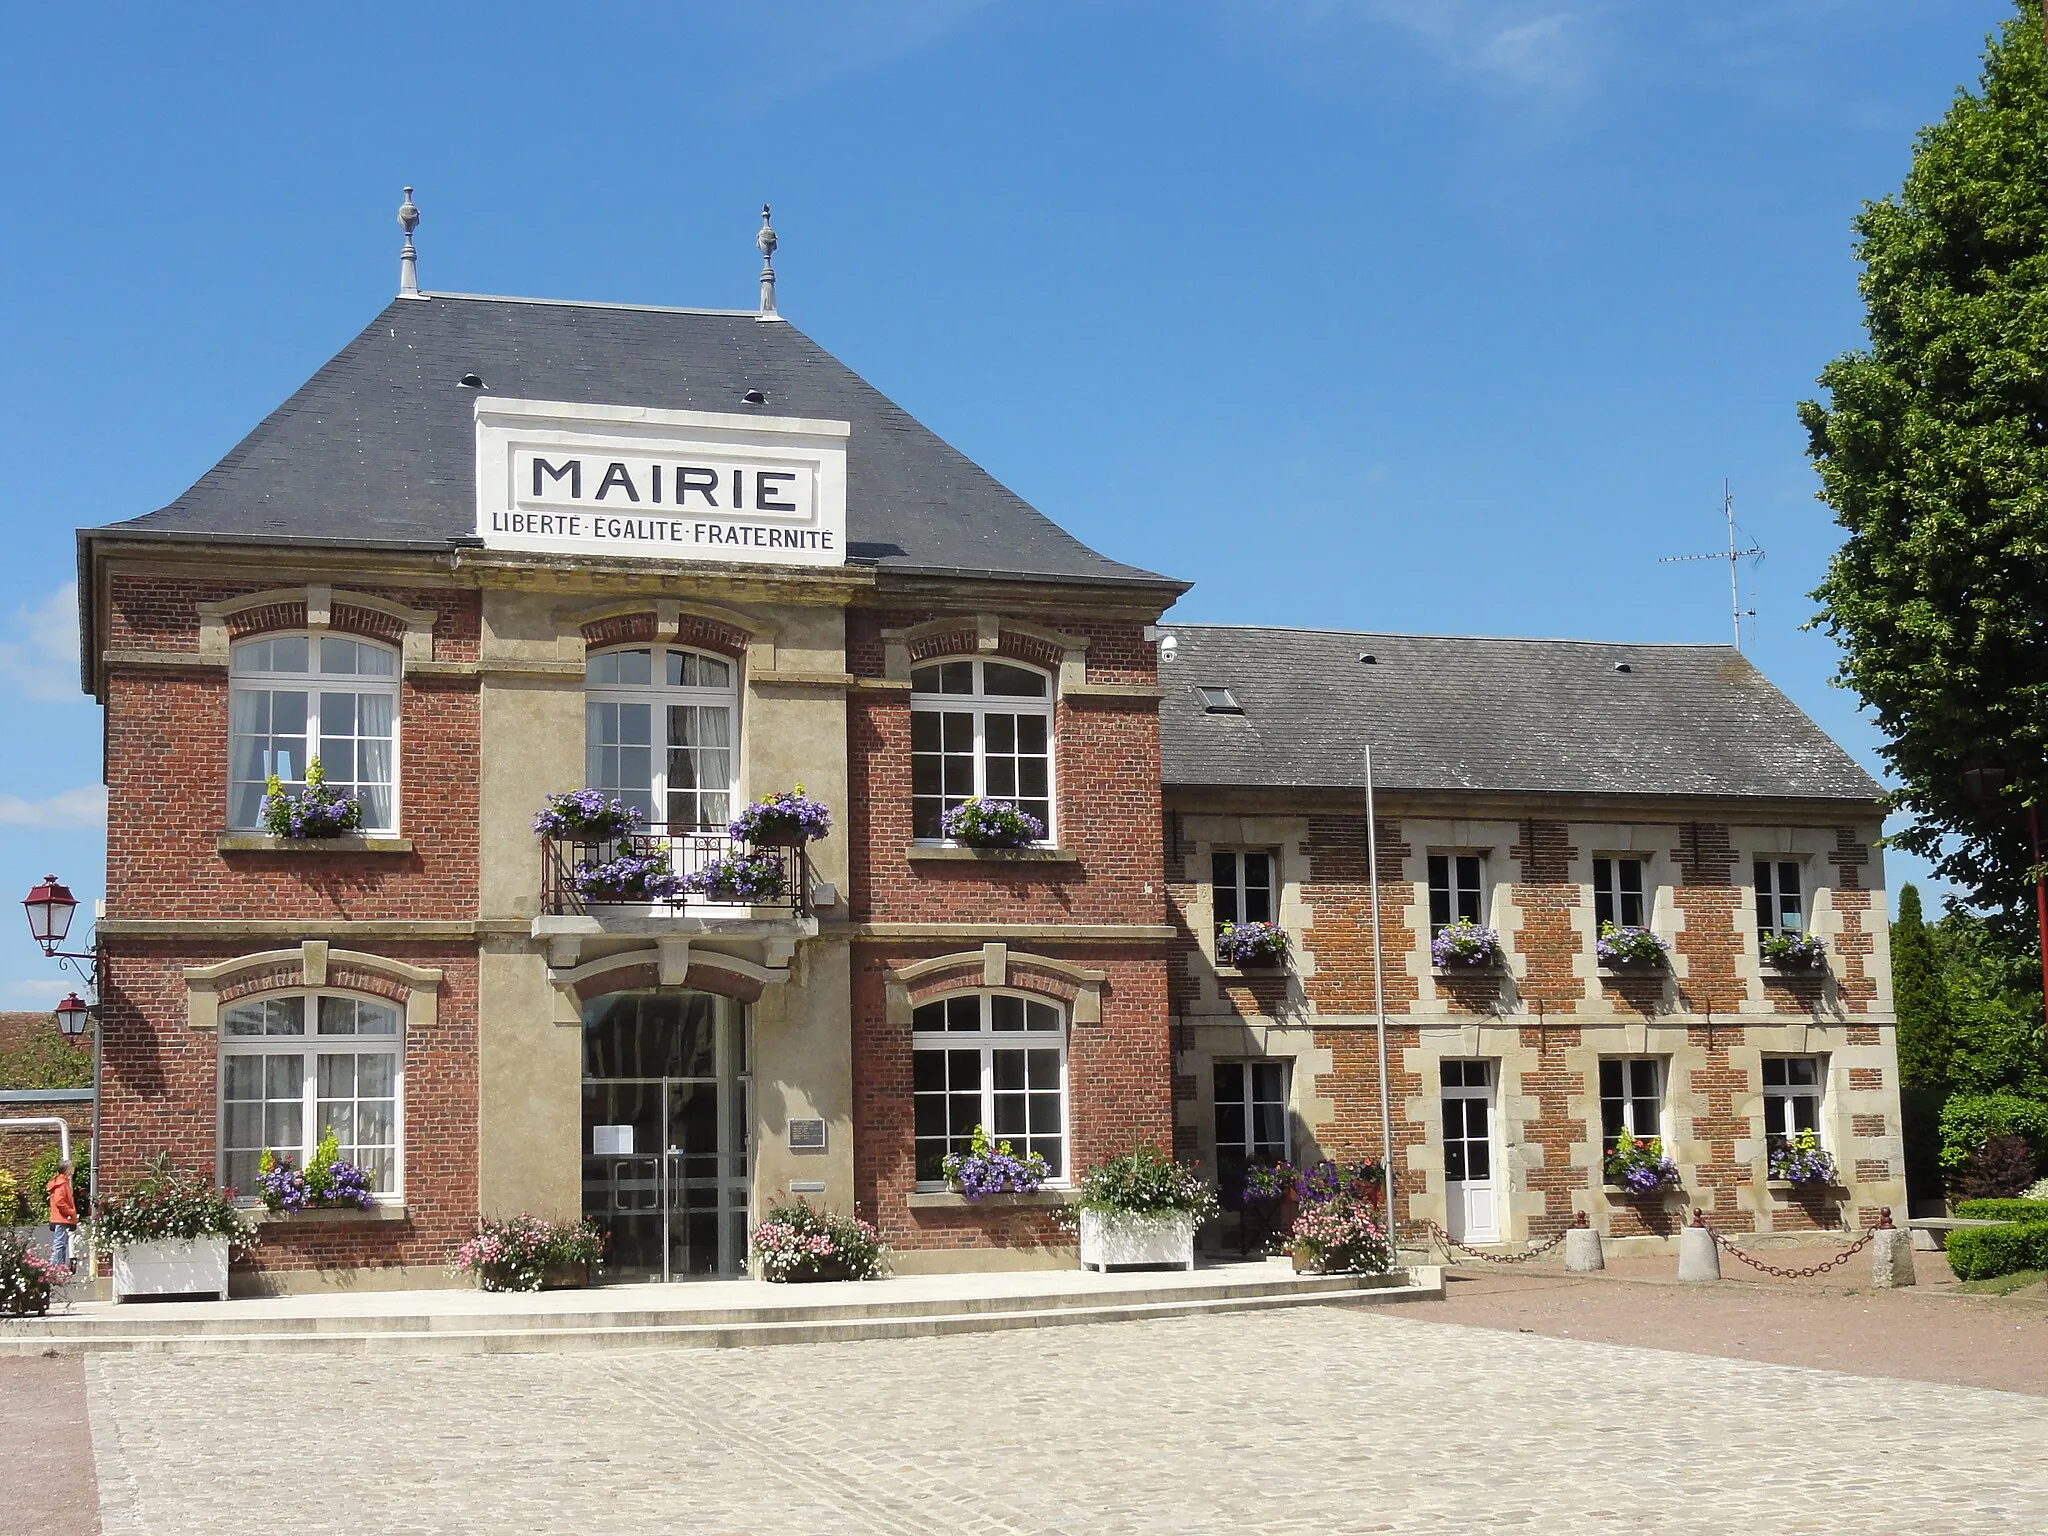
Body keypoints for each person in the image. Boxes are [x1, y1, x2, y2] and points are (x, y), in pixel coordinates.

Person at [46, 1158, 78, 1273]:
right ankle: (55, 1269)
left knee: (62, 1244)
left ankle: (60, 1268)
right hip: (62, 1218)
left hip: (61, 1218)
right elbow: (59, 1202)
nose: (73, 1168)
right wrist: (71, 1212)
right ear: (66, 1170)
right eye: (71, 1167)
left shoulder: (62, 1182)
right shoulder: (61, 1184)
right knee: (59, 1244)